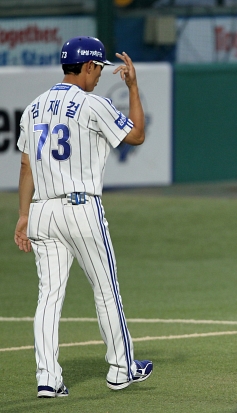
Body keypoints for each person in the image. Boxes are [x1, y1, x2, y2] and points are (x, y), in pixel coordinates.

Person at [14, 36, 153, 398]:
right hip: (80, 208)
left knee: (49, 296)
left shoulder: (32, 108)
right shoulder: (92, 105)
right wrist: (134, 87)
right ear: (89, 66)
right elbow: (137, 135)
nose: (99, 76)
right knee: (106, 290)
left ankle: (48, 377)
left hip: (42, 211)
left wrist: (22, 215)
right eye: (99, 69)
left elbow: (26, 165)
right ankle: (122, 369)